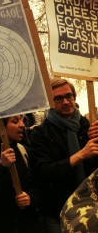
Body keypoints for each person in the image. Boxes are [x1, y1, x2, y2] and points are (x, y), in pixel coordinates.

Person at [30, 78, 98, 233]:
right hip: (57, 212)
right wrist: (80, 155)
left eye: (69, 96)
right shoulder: (40, 133)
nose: (66, 102)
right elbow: (44, 172)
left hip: (90, 210)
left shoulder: (90, 126)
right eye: (59, 98)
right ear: (50, 103)